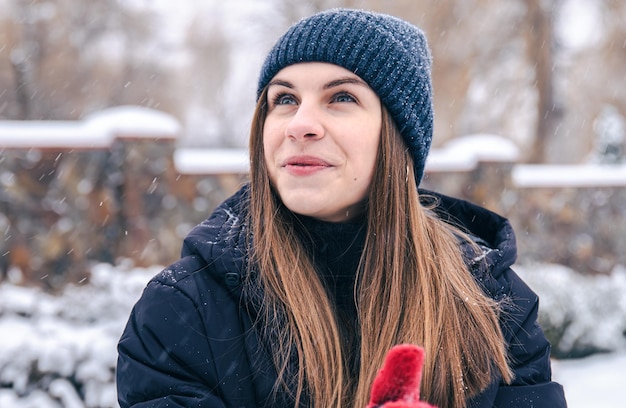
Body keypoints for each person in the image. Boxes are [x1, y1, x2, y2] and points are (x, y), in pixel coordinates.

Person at [116, 8, 567, 408]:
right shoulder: (183, 310)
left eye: (342, 98)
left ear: (397, 139)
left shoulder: (492, 304)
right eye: (284, 99)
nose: (301, 124)